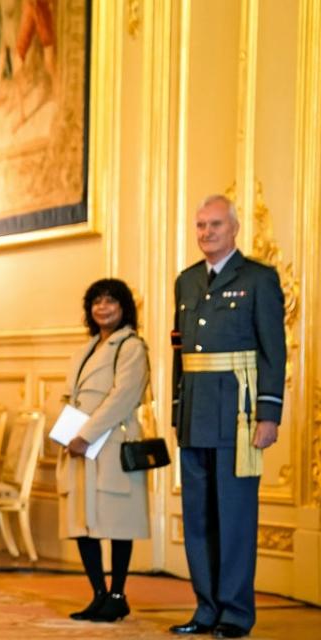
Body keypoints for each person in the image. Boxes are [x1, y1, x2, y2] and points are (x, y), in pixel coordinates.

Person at [170, 195, 285, 639]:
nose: (206, 233)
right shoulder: (186, 281)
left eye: (215, 224)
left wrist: (268, 414)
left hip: (238, 415)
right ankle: (206, 609)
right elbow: (180, 351)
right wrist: (179, 410)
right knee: (198, 517)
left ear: (234, 228)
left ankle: (235, 613)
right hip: (196, 413)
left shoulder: (257, 279)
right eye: (200, 225)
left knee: (234, 516)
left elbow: (274, 351)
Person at [57, 278, 150, 623]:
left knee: (118, 521)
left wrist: (87, 434)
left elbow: (121, 398)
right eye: (97, 301)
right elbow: (71, 395)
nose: (103, 307)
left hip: (111, 442)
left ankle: (117, 593)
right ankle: (98, 593)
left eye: (110, 301)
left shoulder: (131, 347)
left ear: (124, 307)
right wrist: (67, 434)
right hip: (79, 445)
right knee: (83, 522)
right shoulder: (87, 349)